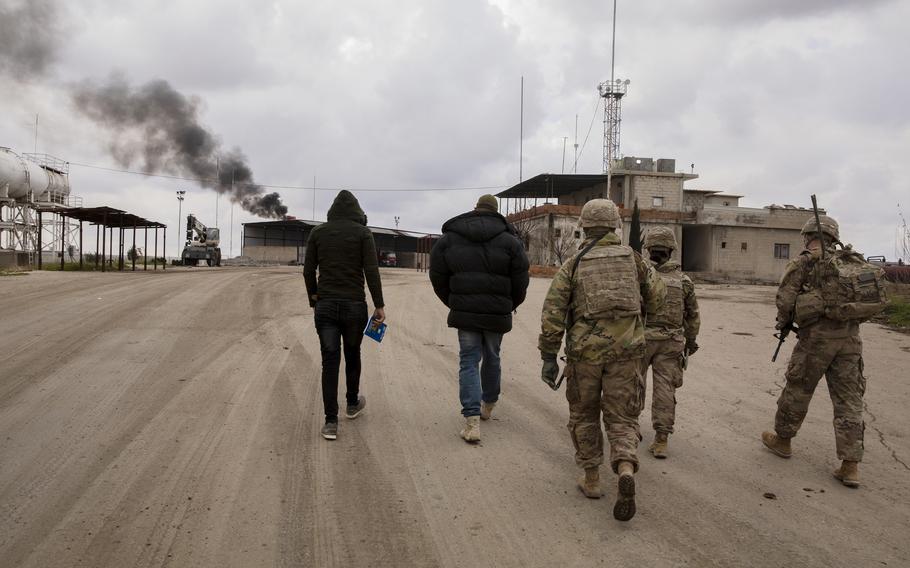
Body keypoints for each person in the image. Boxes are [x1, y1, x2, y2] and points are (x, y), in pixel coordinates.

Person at [539, 199, 665, 522]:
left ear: (585, 226)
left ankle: (592, 478)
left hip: (585, 357)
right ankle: (625, 468)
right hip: (627, 356)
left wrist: (549, 357)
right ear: (614, 227)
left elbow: (553, 313)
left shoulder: (574, 264)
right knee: (622, 418)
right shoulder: (634, 260)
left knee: (584, 415)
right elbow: (660, 296)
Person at [762, 214, 887, 487]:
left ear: (807, 236)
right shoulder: (852, 261)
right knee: (849, 401)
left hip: (816, 340)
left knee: (798, 389)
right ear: (835, 238)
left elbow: (785, 300)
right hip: (850, 340)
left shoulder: (805, 262)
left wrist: (786, 323)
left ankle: (783, 441)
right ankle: (850, 465)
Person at [429, 194, 529, 443]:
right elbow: (521, 281)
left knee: (468, 360)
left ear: (475, 210)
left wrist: (454, 301)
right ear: (496, 212)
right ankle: (489, 404)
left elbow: (437, 276)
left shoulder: (450, 239)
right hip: (497, 312)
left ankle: (471, 421)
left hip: (466, 312)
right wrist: (509, 304)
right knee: (492, 356)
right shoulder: (511, 241)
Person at [304, 190, 385, 441]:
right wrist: (379, 305)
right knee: (353, 354)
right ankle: (352, 404)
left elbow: (308, 271)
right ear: (357, 212)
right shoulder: (363, 234)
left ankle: (330, 422)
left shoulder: (318, 232)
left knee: (330, 361)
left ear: (332, 211)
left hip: (326, 306)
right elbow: (371, 270)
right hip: (354, 306)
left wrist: (314, 297)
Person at [640, 226, 700, 458]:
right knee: (665, 390)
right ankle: (662, 439)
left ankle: (631, 429)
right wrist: (691, 341)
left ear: (649, 250)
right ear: (671, 250)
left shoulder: (642, 276)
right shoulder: (684, 281)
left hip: (642, 340)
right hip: (672, 341)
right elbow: (692, 315)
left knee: (635, 385)